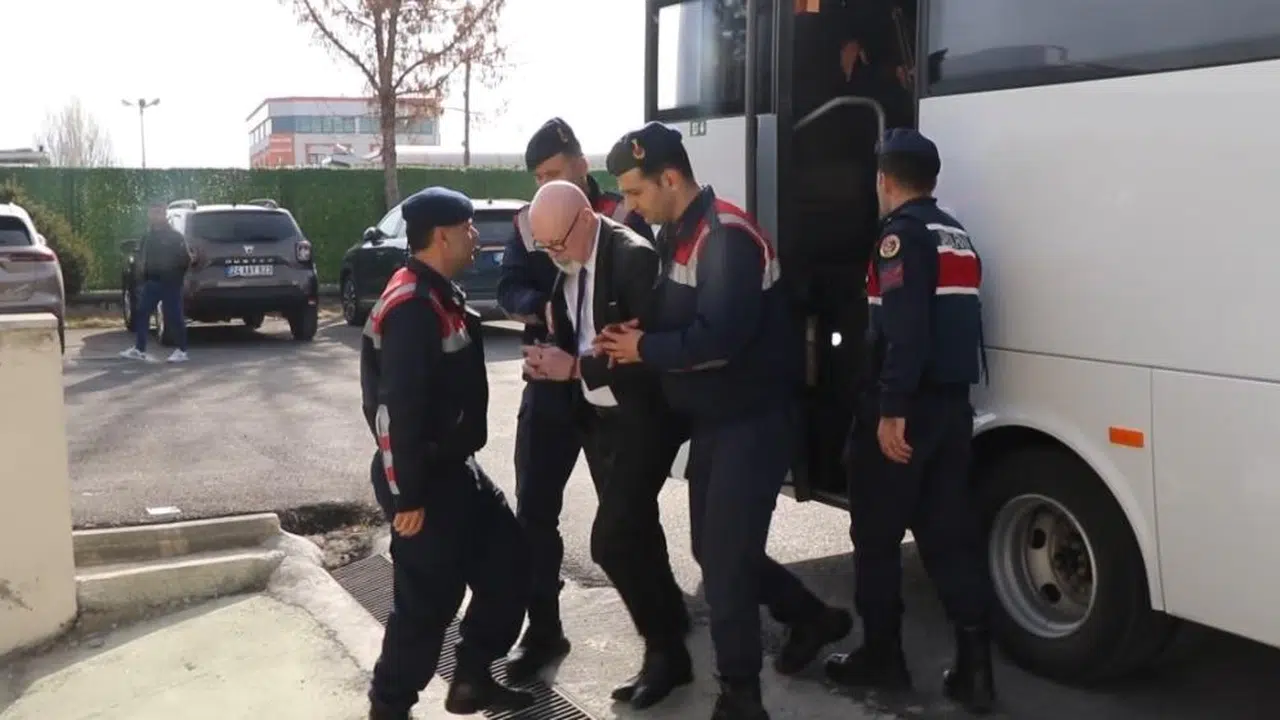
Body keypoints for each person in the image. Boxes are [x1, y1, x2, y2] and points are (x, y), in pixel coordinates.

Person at [596, 122, 852, 720]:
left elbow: (721, 338)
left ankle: (740, 697)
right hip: (716, 421)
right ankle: (812, 618)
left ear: (669, 178)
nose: (629, 206)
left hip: (753, 421)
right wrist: (642, 330)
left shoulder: (725, 236)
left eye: (635, 192)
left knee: (728, 565)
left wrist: (644, 349)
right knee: (712, 552)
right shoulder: (679, 233)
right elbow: (681, 312)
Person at [823, 128, 995, 715]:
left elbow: (905, 329)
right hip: (951, 408)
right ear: (932, 179)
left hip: (907, 410)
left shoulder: (900, 237)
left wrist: (891, 410)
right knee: (947, 535)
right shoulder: (955, 233)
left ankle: (882, 656)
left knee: (875, 537)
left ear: (884, 179)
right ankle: (976, 670)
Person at [359, 187, 533, 720]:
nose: (477, 237)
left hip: (456, 469)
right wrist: (408, 495)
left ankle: (472, 679)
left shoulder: (438, 293)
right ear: (442, 236)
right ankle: (389, 708)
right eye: (469, 228)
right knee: (426, 605)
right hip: (424, 479)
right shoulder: (413, 305)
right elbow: (397, 412)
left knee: (510, 564)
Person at [496, 117, 657, 682]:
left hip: (609, 388)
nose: (545, 184)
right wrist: (546, 306)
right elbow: (507, 287)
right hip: (549, 384)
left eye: (554, 173)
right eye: (538, 177)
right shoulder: (529, 222)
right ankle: (543, 629)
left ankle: (660, 629)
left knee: (629, 513)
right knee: (534, 509)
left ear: (582, 167)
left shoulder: (624, 215)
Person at [521, 180, 692, 708]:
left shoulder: (632, 258)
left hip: (644, 420)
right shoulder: (569, 261)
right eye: (544, 246)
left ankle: (665, 655)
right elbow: (577, 333)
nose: (553, 255)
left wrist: (574, 368)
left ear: (585, 219)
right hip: (597, 420)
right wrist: (549, 357)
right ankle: (671, 635)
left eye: (557, 243)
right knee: (635, 533)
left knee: (610, 542)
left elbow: (643, 355)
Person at [120, 201, 190, 363]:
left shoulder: (175, 237)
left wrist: (176, 276)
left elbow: (186, 259)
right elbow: (142, 257)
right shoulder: (148, 236)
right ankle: (139, 349)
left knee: (174, 316)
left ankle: (182, 350)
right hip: (152, 282)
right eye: (152, 213)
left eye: (158, 213)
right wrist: (142, 274)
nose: (154, 216)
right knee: (142, 312)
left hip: (171, 283)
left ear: (164, 214)